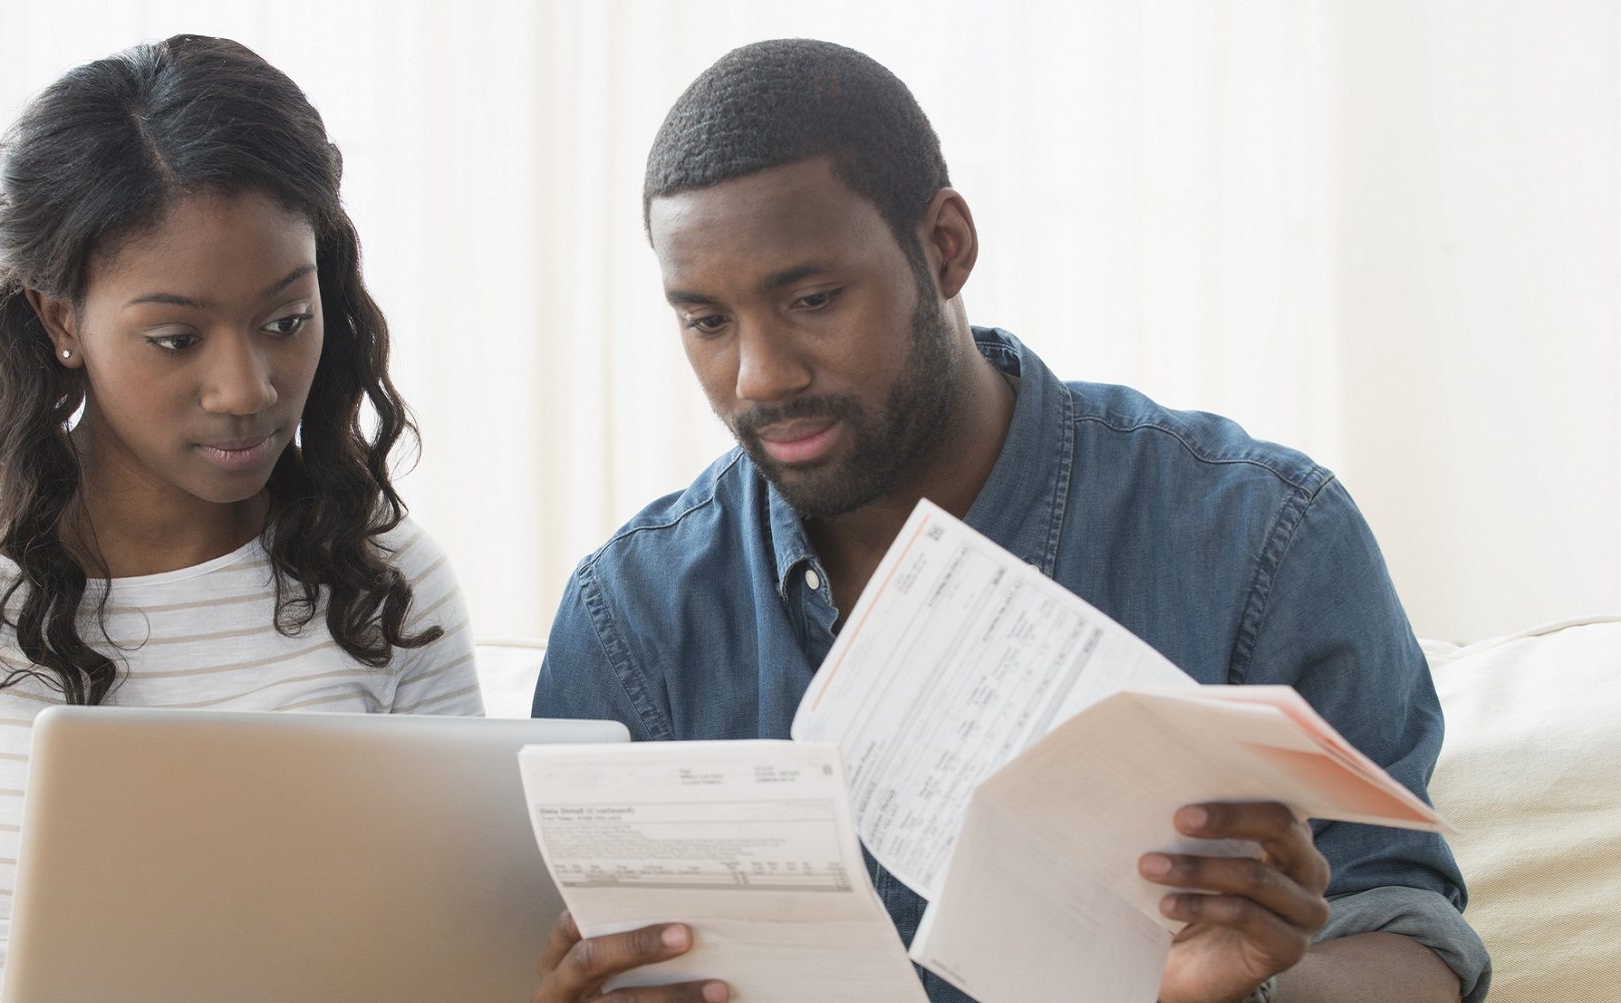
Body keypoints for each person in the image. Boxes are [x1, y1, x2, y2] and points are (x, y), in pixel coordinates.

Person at [531, 38, 1488, 1003]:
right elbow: (536, 950)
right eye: (706, 321)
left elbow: (1411, 942)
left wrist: (1245, 994)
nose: (760, 375)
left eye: (813, 299)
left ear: (945, 246)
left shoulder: (1263, 538)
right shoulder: (629, 617)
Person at [0, 35, 480, 1003]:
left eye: (286, 320)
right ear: (61, 321)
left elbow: (460, 947)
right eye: (175, 338)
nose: (247, 388)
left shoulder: (383, 574)